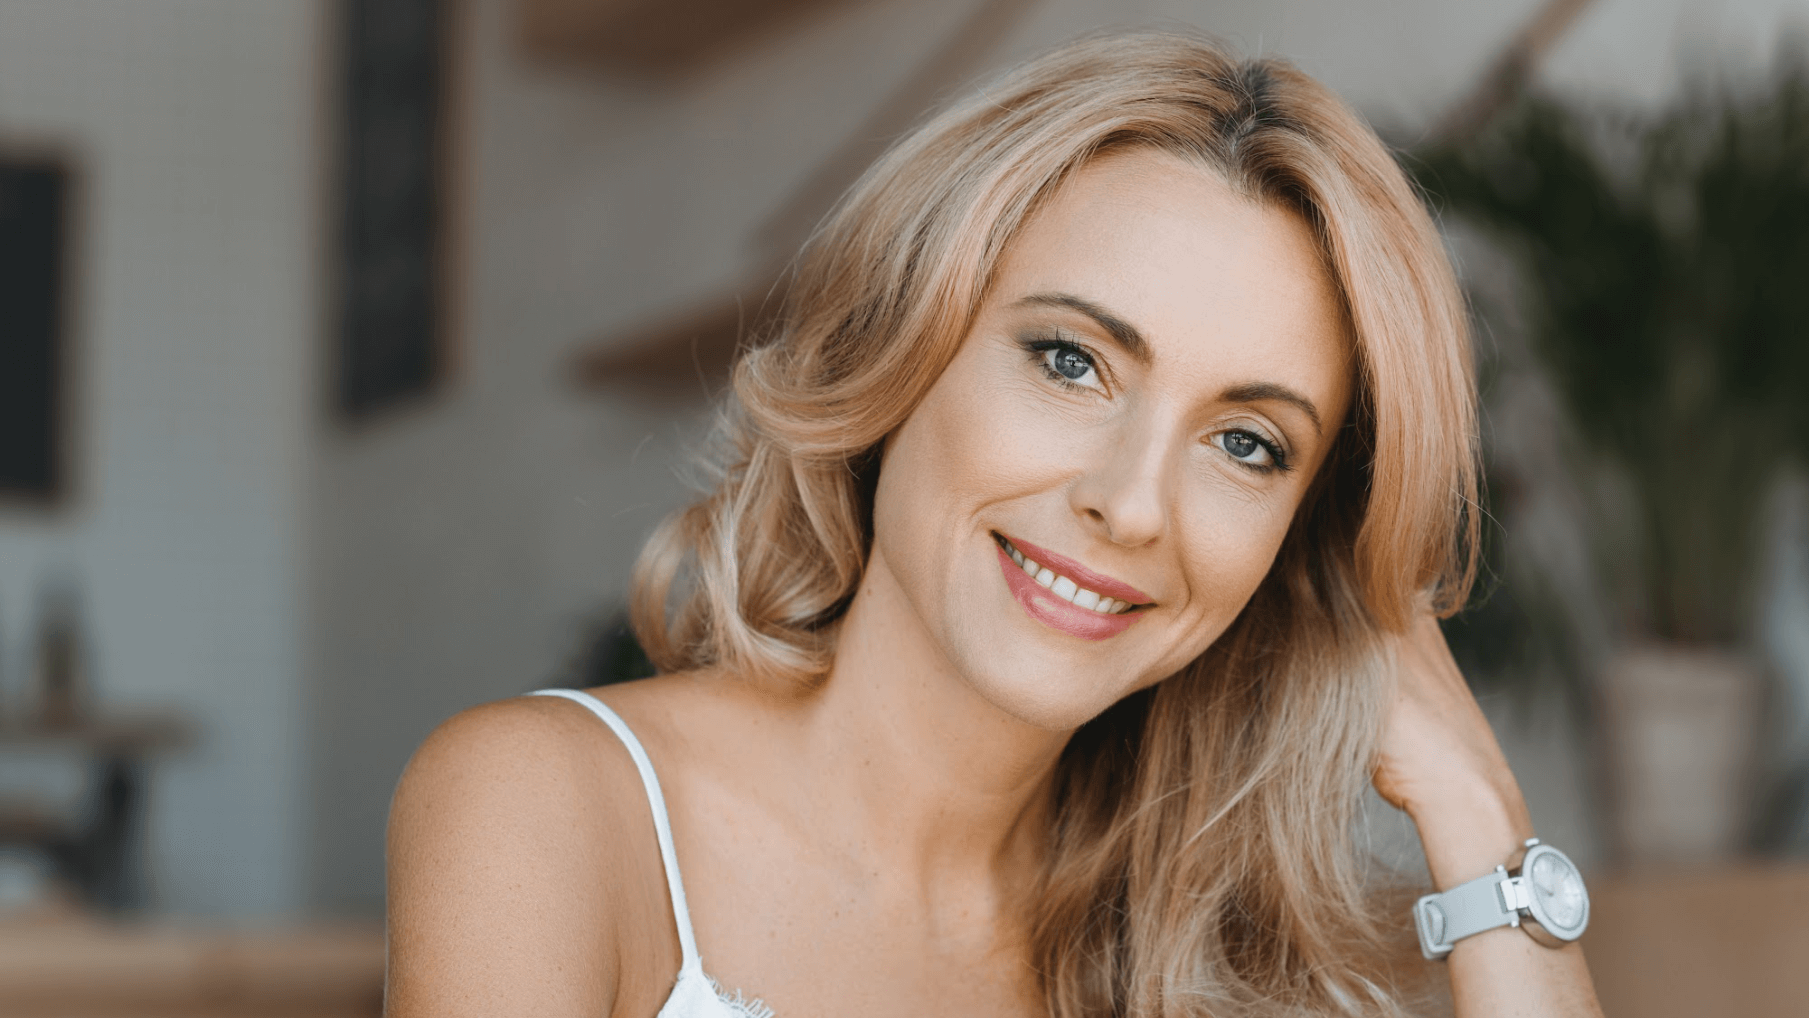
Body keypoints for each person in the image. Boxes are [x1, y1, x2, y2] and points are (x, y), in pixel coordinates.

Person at [384, 30, 1604, 1018]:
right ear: (904, 345)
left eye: (1246, 444)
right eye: (1071, 360)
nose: (1128, 504)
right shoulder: (552, 806)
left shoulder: (1215, 963)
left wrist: (1475, 804)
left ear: (1296, 543)